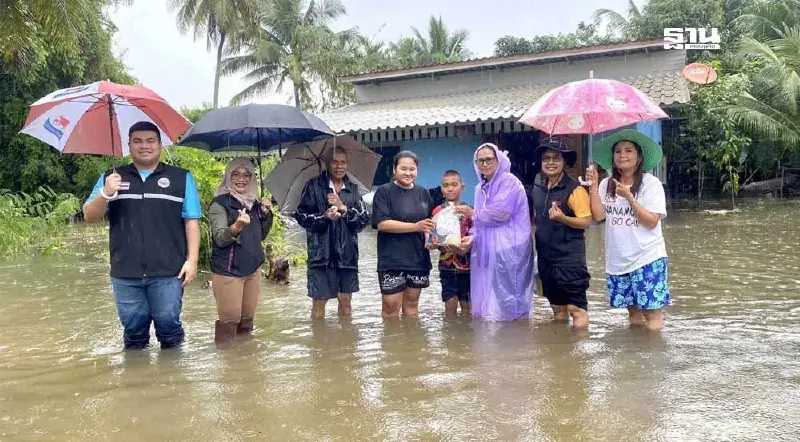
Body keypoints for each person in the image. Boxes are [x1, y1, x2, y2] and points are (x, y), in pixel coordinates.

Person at [82, 121, 201, 350]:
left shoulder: (181, 178)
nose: (144, 146)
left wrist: (192, 260)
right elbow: (89, 216)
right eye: (137, 141)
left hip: (169, 270)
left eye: (150, 141)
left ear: (160, 145)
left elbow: (191, 221)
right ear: (128, 145)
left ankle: (174, 379)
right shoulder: (112, 178)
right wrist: (105, 193)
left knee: (169, 326)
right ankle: (136, 381)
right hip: (125, 272)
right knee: (134, 333)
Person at [585, 129, 671, 331]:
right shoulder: (607, 183)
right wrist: (593, 185)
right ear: (613, 158)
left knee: (651, 314)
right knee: (632, 312)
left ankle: (654, 357)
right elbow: (599, 216)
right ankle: (636, 358)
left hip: (647, 256)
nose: (622, 155)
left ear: (639, 156)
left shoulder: (651, 184)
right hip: (618, 259)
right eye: (617, 151)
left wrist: (630, 197)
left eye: (628, 150)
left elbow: (651, 222)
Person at [456, 143, 534, 321]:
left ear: (498, 160)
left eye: (489, 159)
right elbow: (481, 223)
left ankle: (515, 339)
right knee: (490, 294)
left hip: (510, 248)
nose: (484, 164)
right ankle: (493, 339)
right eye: (480, 160)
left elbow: (500, 214)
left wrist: (472, 213)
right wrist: (473, 237)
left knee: (511, 296)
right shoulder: (480, 188)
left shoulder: (510, 182)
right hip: (488, 248)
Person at [295, 148, 369, 319]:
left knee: (345, 302)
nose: (339, 166)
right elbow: (301, 216)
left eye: (343, 162)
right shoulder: (313, 186)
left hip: (347, 256)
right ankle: (320, 343)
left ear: (347, 164)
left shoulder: (353, 190)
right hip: (321, 255)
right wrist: (324, 217)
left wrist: (345, 210)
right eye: (335, 162)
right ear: (328, 163)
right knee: (319, 303)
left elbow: (363, 221)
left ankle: (346, 343)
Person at [208, 158, 274, 347]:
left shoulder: (253, 204)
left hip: (252, 269)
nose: (241, 179)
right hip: (228, 271)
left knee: (246, 324)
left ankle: (245, 366)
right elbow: (220, 238)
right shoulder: (219, 204)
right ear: (228, 176)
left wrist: (265, 214)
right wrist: (236, 226)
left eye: (246, 175)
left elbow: (259, 236)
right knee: (229, 326)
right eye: (236, 174)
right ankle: (228, 367)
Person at [531, 137, 592, 328]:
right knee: (557, 310)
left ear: (564, 161)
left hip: (569, 260)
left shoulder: (574, 189)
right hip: (545, 258)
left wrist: (563, 218)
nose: (550, 162)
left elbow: (586, 222)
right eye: (546, 159)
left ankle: (579, 355)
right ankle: (561, 353)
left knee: (577, 310)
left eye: (556, 158)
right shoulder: (538, 189)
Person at [371, 151, 434, 319]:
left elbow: (429, 224)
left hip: (418, 258)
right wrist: (415, 226)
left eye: (412, 169)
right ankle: (392, 343)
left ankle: (410, 343)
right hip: (392, 259)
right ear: (394, 169)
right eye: (403, 168)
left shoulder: (424, 193)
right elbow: (382, 223)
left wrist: (431, 239)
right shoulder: (384, 192)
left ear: (417, 170)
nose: (408, 173)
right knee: (391, 307)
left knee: (412, 305)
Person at [429, 170, 473, 317]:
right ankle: (450, 336)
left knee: (468, 304)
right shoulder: (437, 211)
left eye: (454, 185)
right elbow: (433, 239)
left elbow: (478, 236)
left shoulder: (469, 211)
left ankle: (466, 335)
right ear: (441, 188)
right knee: (450, 303)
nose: (450, 188)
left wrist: (467, 246)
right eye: (446, 185)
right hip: (446, 264)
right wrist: (434, 244)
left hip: (468, 265)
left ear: (462, 187)